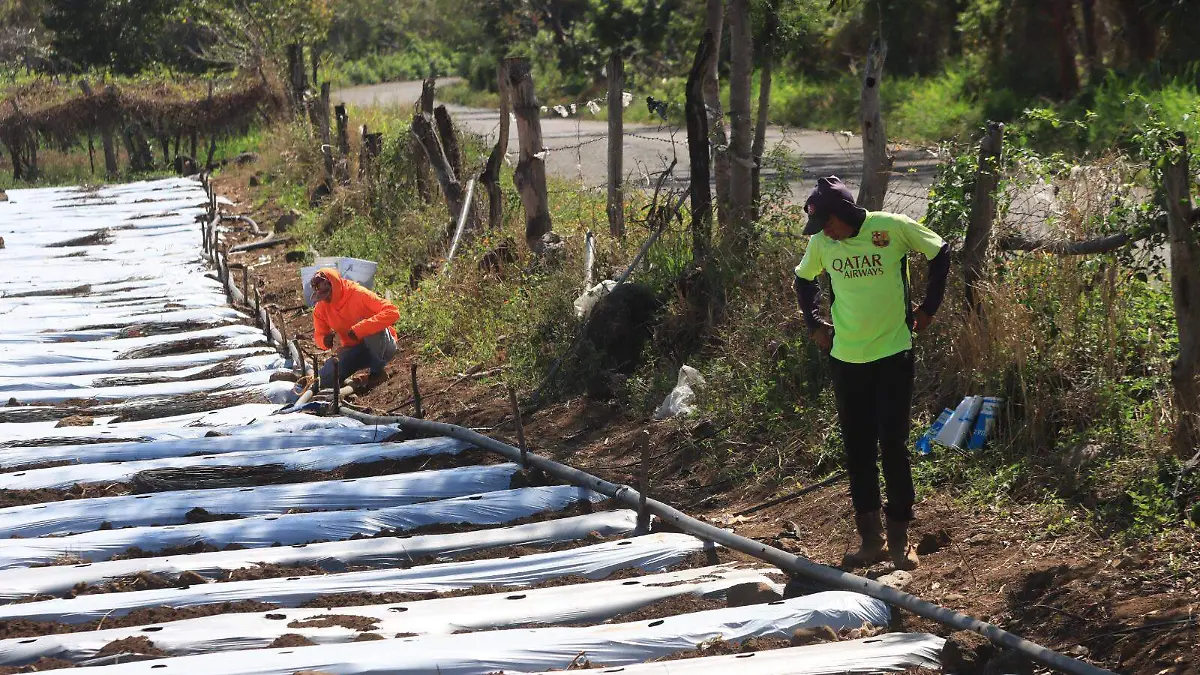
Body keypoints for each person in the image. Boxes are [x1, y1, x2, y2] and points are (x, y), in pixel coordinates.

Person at [793, 176, 949, 571]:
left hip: (893, 353)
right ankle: (871, 540)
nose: (825, 232)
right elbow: (803, 280)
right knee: (858, 450)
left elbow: (939, 251)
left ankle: (900, 540)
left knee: (892, 445)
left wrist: (928, 308)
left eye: (828, 222)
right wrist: (814, 324)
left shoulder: (891, 228)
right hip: (846, 359)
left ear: (844, 212)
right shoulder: (822, 244)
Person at [309, 267, 400, 390]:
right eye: (322, 296)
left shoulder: (358, 293)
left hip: (383, 347)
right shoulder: (320, 309)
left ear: (334, 286)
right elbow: (319, 335)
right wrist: (324, 341)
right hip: (355, 352)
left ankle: (377, 373)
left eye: (327, 294)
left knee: (371, 330)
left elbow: (392, 312)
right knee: (325, 379)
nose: (326, 299)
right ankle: (350, 382)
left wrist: (360, 329)